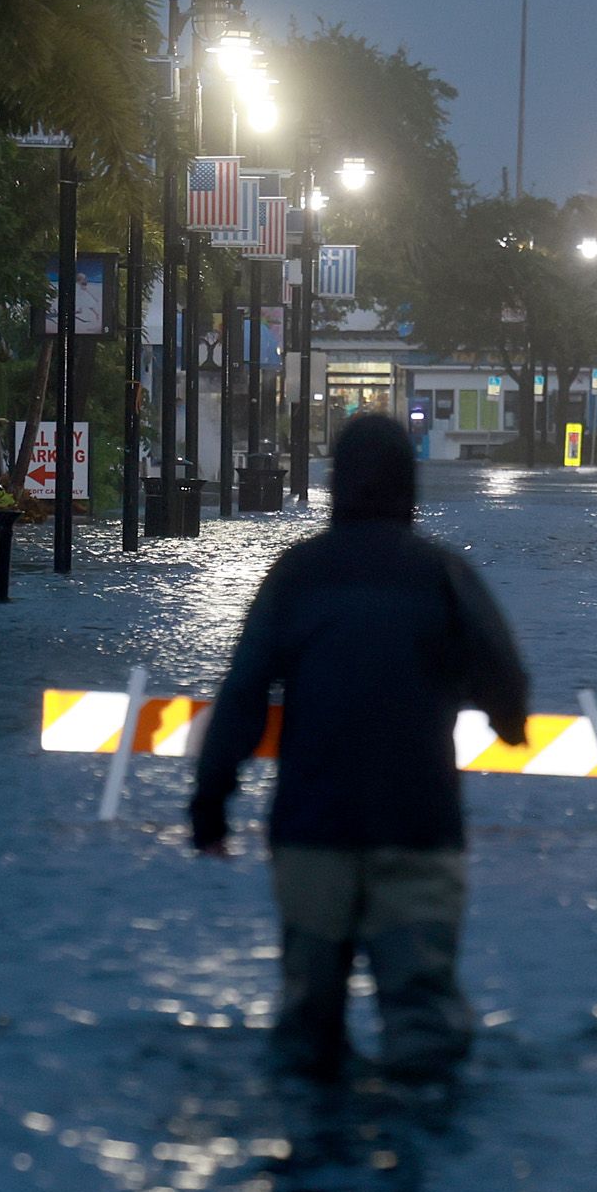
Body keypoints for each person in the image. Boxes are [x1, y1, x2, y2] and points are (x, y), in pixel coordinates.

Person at [193, 414, 531, 1080]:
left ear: (332, 484)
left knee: (306, 1032)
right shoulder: (444, 575)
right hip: (418, 830)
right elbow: (506, 677)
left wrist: (211, 802)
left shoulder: (296, 577)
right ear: (412, 488)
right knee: (423, 1024)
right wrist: (507, 723)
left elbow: (242, 694)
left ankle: (310, 1163)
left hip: (313, 832)